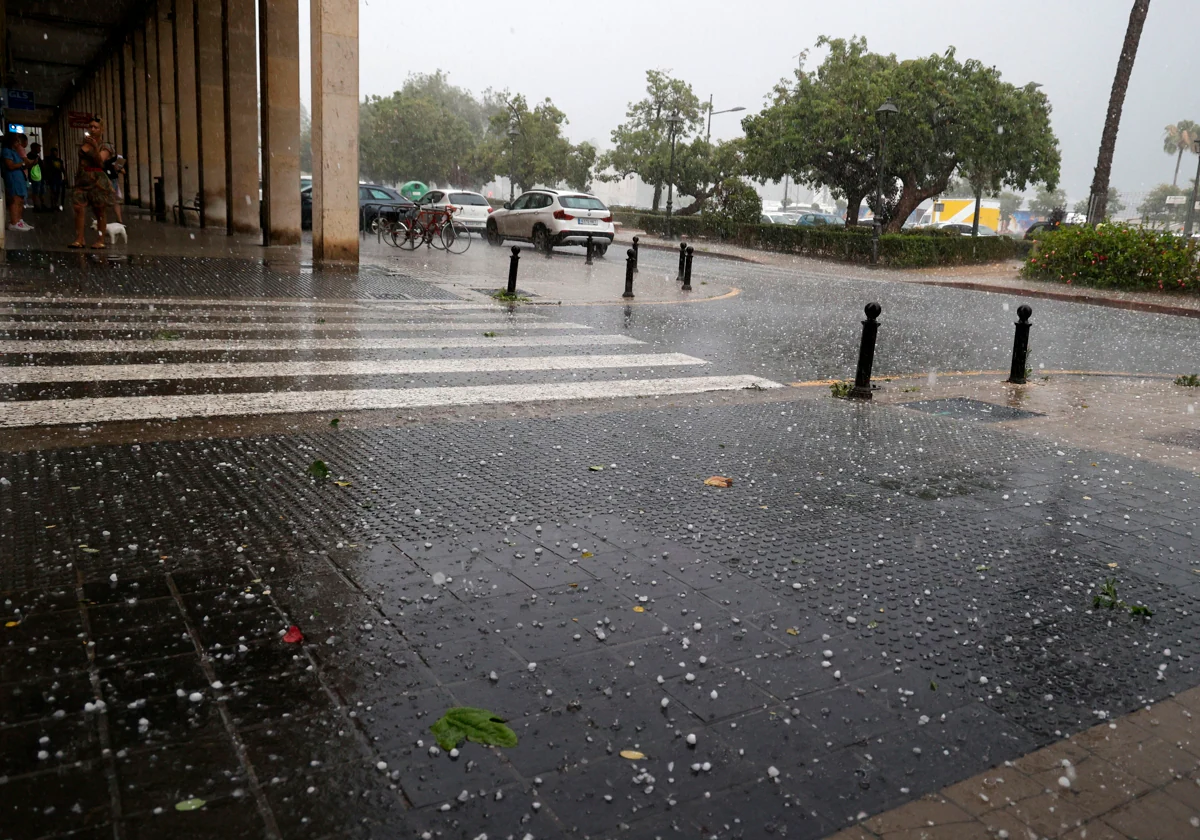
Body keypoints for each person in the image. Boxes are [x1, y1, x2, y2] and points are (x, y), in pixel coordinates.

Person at [70, 116, 117, 249]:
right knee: (78, 207)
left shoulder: (105, 146)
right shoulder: (84, 143)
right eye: (90, 126)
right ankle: (80, 239)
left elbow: (100, 162)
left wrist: (95, 147)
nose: (92, 129)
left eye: (95, 127)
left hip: (97, 179)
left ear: (101, 129)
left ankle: (100, 239)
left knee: (99, 210)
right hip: (83, 178)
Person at [2, 133, 33, 232]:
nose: (18, 143)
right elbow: (10, 165)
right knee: (15, 200)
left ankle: (19, 220)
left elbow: (20, 164)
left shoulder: (14, 152)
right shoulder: (6, 151)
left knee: (20, 200)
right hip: (13, 178)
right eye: (16, 141)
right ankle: (14, 222)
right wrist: (23, 163)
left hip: (19, 178)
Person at [104, 153, 125, 223]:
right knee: (110, 200)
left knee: (115, 201)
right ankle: (103, 219)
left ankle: (119, 219)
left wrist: (118, 167)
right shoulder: (106, 163)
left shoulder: (110, 163)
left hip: (113, 180)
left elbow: (122, 171)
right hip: (109, 180)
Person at [26, 141, 46, 212]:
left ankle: (41, 205)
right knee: (36, 192)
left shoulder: (36, 156)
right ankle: (37, 206)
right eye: (38, 148)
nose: (40, 150)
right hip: (35, 177)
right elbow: (28, 165)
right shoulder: (30, 156)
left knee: (41, 191)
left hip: (40, 177)